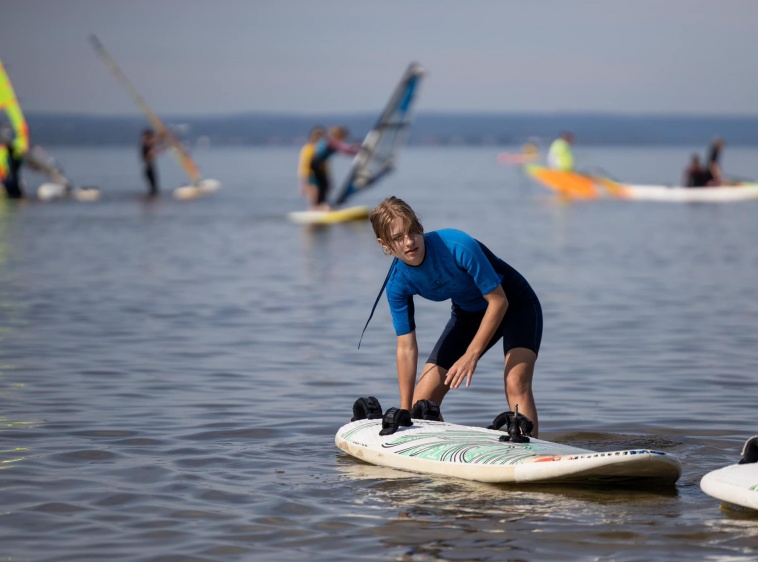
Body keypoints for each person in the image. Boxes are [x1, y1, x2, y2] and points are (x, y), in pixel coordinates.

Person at [369, 196, 543, 436]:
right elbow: (406, 347)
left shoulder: (456, 244)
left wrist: (471, 354)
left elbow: (499, 300)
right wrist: (405, 409)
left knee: (516, 382)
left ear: (420, 228)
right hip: (468, 315)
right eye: (398, 238)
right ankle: (441, 447)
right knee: (422, 402)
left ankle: (531, 453)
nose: (409, 242)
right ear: (385, 244)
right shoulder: (397, 282)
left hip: (516, 306)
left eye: (413, 232)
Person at [309, 126, 360, 210]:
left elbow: (346, 148)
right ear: (339, 135)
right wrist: (359, 151)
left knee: (325, 185)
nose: (344, 139)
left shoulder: (329, 140)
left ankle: (320, 204)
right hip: (316, 163)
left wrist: (357, 147)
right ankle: (319, 205)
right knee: (323, 185)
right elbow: (345, 150)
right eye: (343, 137)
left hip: (317, 163)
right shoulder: (332, 142)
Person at [297, 126, 325, 209]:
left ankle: (318, 209)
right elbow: (304, 165)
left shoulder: (321, 149)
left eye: (321, 136)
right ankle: (313, 210)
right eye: (318, 135)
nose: (319, 138)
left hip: (321, 175)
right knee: (313, 196)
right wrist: (303, 182)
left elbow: (325, 166)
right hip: (310, 175)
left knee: (320, 196)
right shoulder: (308, 148)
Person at [140, 129, 164, 197]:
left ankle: (151, 201)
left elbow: (154, 144)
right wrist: (160, 136)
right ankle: (151, 200)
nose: (152, 137)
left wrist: (161, 138)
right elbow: (152, 147)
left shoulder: (147, 144)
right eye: (151, 136)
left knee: (154, 188)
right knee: (154, 189)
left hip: (149, 169)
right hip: (148, 169)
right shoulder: (145, 144)